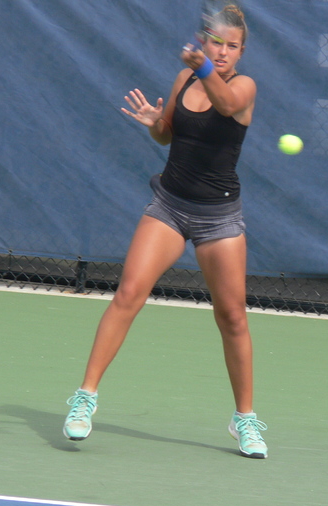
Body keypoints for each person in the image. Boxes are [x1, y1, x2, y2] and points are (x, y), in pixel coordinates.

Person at [62, 5, 267, 458]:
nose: (225, 51)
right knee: (128, 293)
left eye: (233, 46)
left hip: (220, 216)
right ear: (205, 39)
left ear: (241, 51)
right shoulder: (184, 78)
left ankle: (244, 420)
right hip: (170, 206)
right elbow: (167, 135)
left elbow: (227, 105)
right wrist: (155, 121)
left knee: (232, 317)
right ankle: (85, 399)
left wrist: (205, 66)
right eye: (218, 42)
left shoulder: (243, 87)